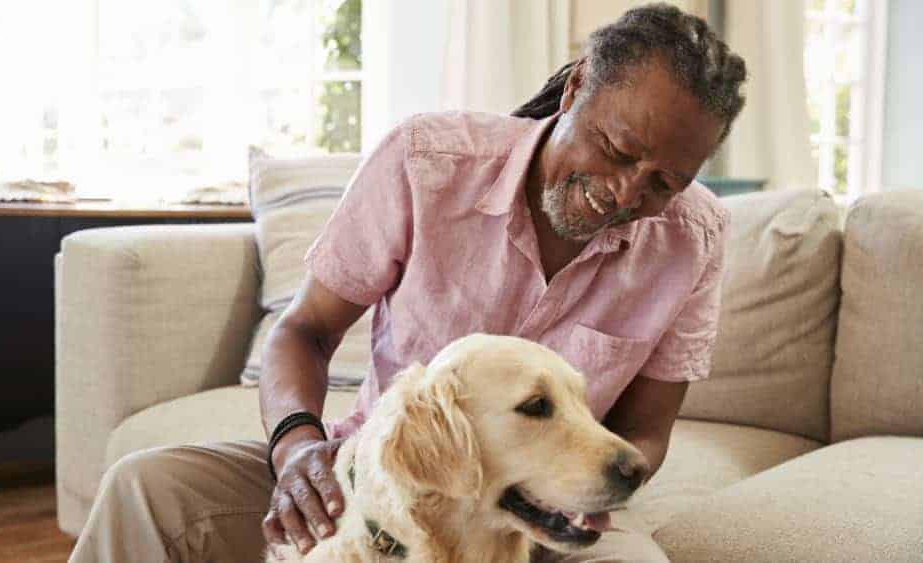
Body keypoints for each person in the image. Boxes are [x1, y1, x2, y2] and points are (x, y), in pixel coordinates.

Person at [68, 4, 747, 562]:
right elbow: (303, 330)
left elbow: (646, 432)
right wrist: (299, 447)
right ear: (574, 91)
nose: (625, 190)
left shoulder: (694, 239)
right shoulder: (427, 162)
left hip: (546, 509)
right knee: (148, 487)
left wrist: (562, 504)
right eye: (617, 149)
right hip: (382, 474)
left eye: (664, 181)